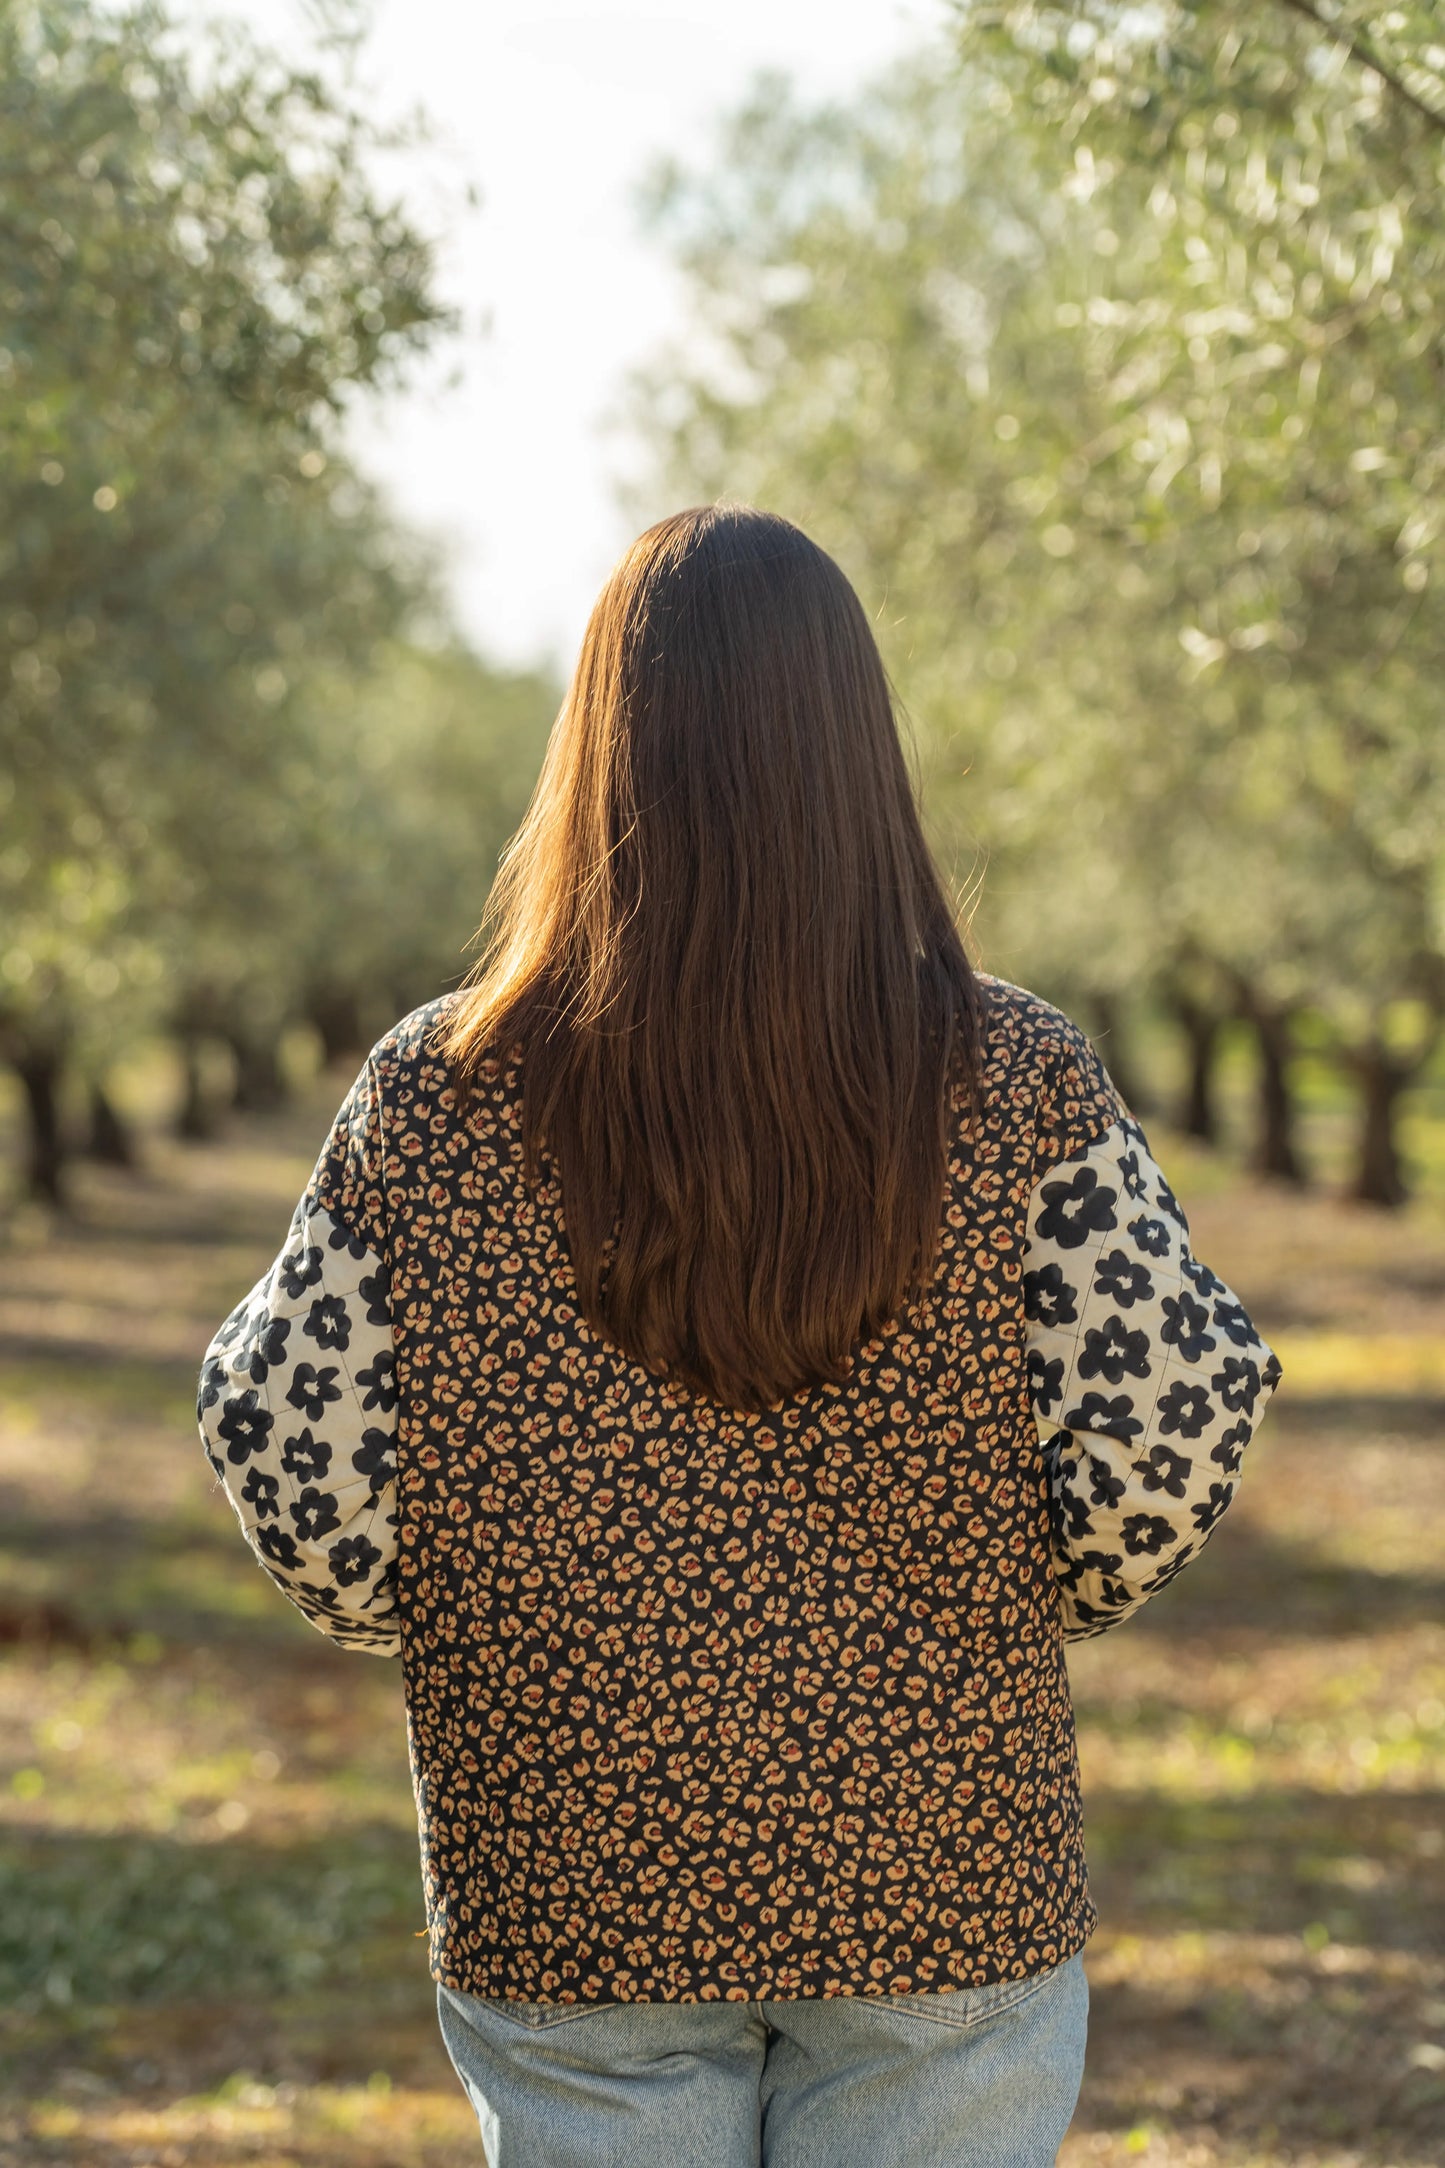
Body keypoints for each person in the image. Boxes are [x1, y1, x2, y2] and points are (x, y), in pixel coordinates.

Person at [197, 503, 1281, 2168]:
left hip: (569, 1873)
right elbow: (1164, 1435)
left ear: (594, 755)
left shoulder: (435, 1093)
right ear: (856, 752)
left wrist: (495, 1611)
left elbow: (305, 1483)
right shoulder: (1017, 1077)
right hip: (939, 1866)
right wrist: (1006, 1599)